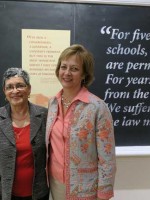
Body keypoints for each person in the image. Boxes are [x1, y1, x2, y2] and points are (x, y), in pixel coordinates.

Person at [46, 44, 116, 200]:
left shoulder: (97, 107)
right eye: (63, 67)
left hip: (86, 189)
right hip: (56, 185)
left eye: (74, 69)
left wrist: (103, 195)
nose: (67, 73)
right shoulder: (52, 103)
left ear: (84, 74)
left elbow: (107, 158)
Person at [0, 68, 49, 200]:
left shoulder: (44, 115)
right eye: (9, 87)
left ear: (29, 89)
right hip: (7, 195)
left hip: (39, 194)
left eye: (20, 86)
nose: (15, 91)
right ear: (4, 91)